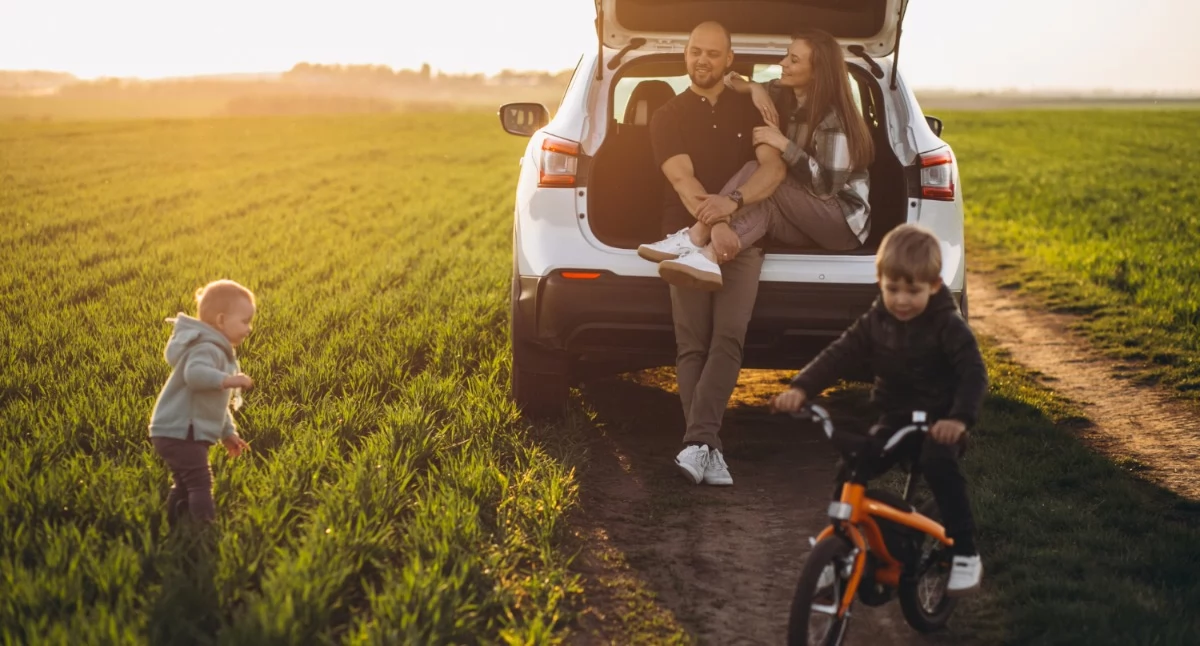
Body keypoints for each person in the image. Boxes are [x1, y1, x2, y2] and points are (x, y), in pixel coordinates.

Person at [770, 224, 987, 595]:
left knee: (938, 465)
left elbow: (973, 373)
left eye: (913, 291)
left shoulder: (947, 325)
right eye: (892, 290)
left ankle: (966, 552)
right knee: (854, 463)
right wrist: (802, 387)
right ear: (880, 282)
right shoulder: (877, 320)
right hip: (898, 417)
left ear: (934, 286)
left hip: (940, 420)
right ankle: (839, 549)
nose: (901, 300)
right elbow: (840, 353)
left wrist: (958, 419)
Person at [639, 20, 787, 486]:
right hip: (686, 239)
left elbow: (773, 171)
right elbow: (683, 182)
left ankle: (697, 444)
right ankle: (707, 446)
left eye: (712, 54)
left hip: (743, 240)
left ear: (728, 60)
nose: (701, 60)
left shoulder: (750, 108)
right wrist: (717, 224)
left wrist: (734, 210)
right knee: (692, 344)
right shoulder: (668, 115)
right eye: (694, 52)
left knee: (728, 339)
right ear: (687, 56)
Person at [641, 28, 875, 289]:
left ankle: (696, 234)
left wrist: (784, 145)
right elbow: (728, 79)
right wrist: (753, 87)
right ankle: (707, 258)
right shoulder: (783, 94)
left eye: (793, 60)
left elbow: (826, 187)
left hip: (840, 223)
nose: (782, 63)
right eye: (787, 56)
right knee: (764, 204)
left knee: (758, 170)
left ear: (817, 72)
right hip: (806, 218)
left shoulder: (832, 119)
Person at [148, 279, 255, 526]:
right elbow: (194, 376)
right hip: (182, 431)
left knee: (185, 482)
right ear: (220, 320)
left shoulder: (215, 349)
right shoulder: (207, 348)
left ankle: (176, 524)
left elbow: (214, 404)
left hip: (172, 430)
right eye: (245, 321)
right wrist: (229, 380)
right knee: (200, 482)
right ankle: (203, 531)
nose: (249, 329)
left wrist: (228, 433)